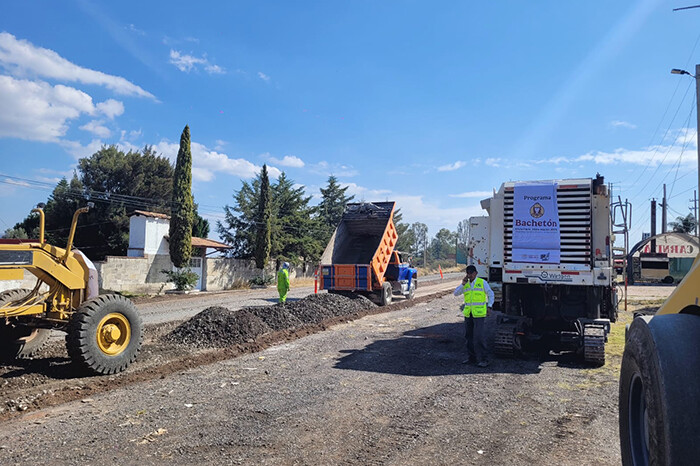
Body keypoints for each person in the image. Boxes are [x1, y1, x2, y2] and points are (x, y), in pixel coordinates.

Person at [453, 265, 494, 367]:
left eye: (471, 273)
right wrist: (462, 284)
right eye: (468, 273)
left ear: (476, 273)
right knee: (469, 336)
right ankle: (472, 358)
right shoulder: (465, 284)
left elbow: (490, 294)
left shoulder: (482, 283)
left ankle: (484, 359)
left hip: (479, 314)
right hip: (469, 313)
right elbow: (456, 293)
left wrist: (489, 306)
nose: (469, 275)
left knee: (479, 337)